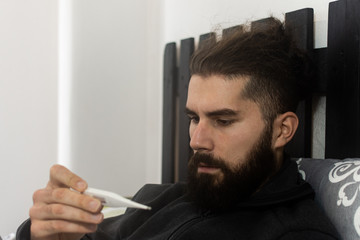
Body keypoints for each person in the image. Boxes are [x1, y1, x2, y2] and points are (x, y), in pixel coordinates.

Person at [16, 18, 339, 240]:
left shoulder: (293, 233)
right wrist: (42, 232)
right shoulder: (159, 200)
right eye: (194, 118)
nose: (197, 140)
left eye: (223, 121)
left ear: (282, 130)